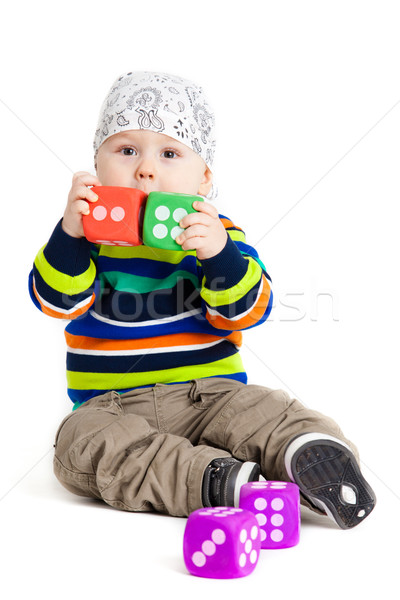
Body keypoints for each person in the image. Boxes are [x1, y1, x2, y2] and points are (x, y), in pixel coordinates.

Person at [29, 71, 375, 528]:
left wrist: (218, 254)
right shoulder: (85, 240)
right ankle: (216, 479)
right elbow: (55, 301)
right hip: (110, 406)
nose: (146, 169)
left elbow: (250, 307)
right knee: (78, 443)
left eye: (170, 154)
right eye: (126, 150)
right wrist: (69, 233)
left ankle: (309, 452)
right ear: (95, 167)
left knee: (266, 409)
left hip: (210, 396)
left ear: (204, 179)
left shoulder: (216, 235)